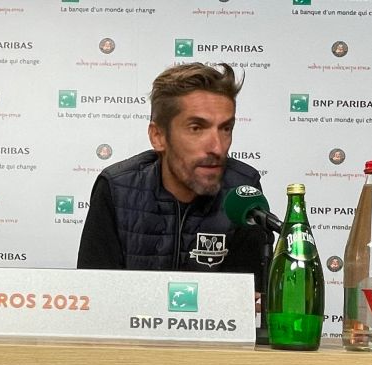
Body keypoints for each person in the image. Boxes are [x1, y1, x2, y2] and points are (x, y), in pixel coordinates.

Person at [77, 62, 271, 293]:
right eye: (196, 128)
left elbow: (248, 302)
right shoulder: (116, 188)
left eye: (225, 128)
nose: (218, 148)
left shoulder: (242, 190)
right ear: (158, 136)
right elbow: (94, 297)